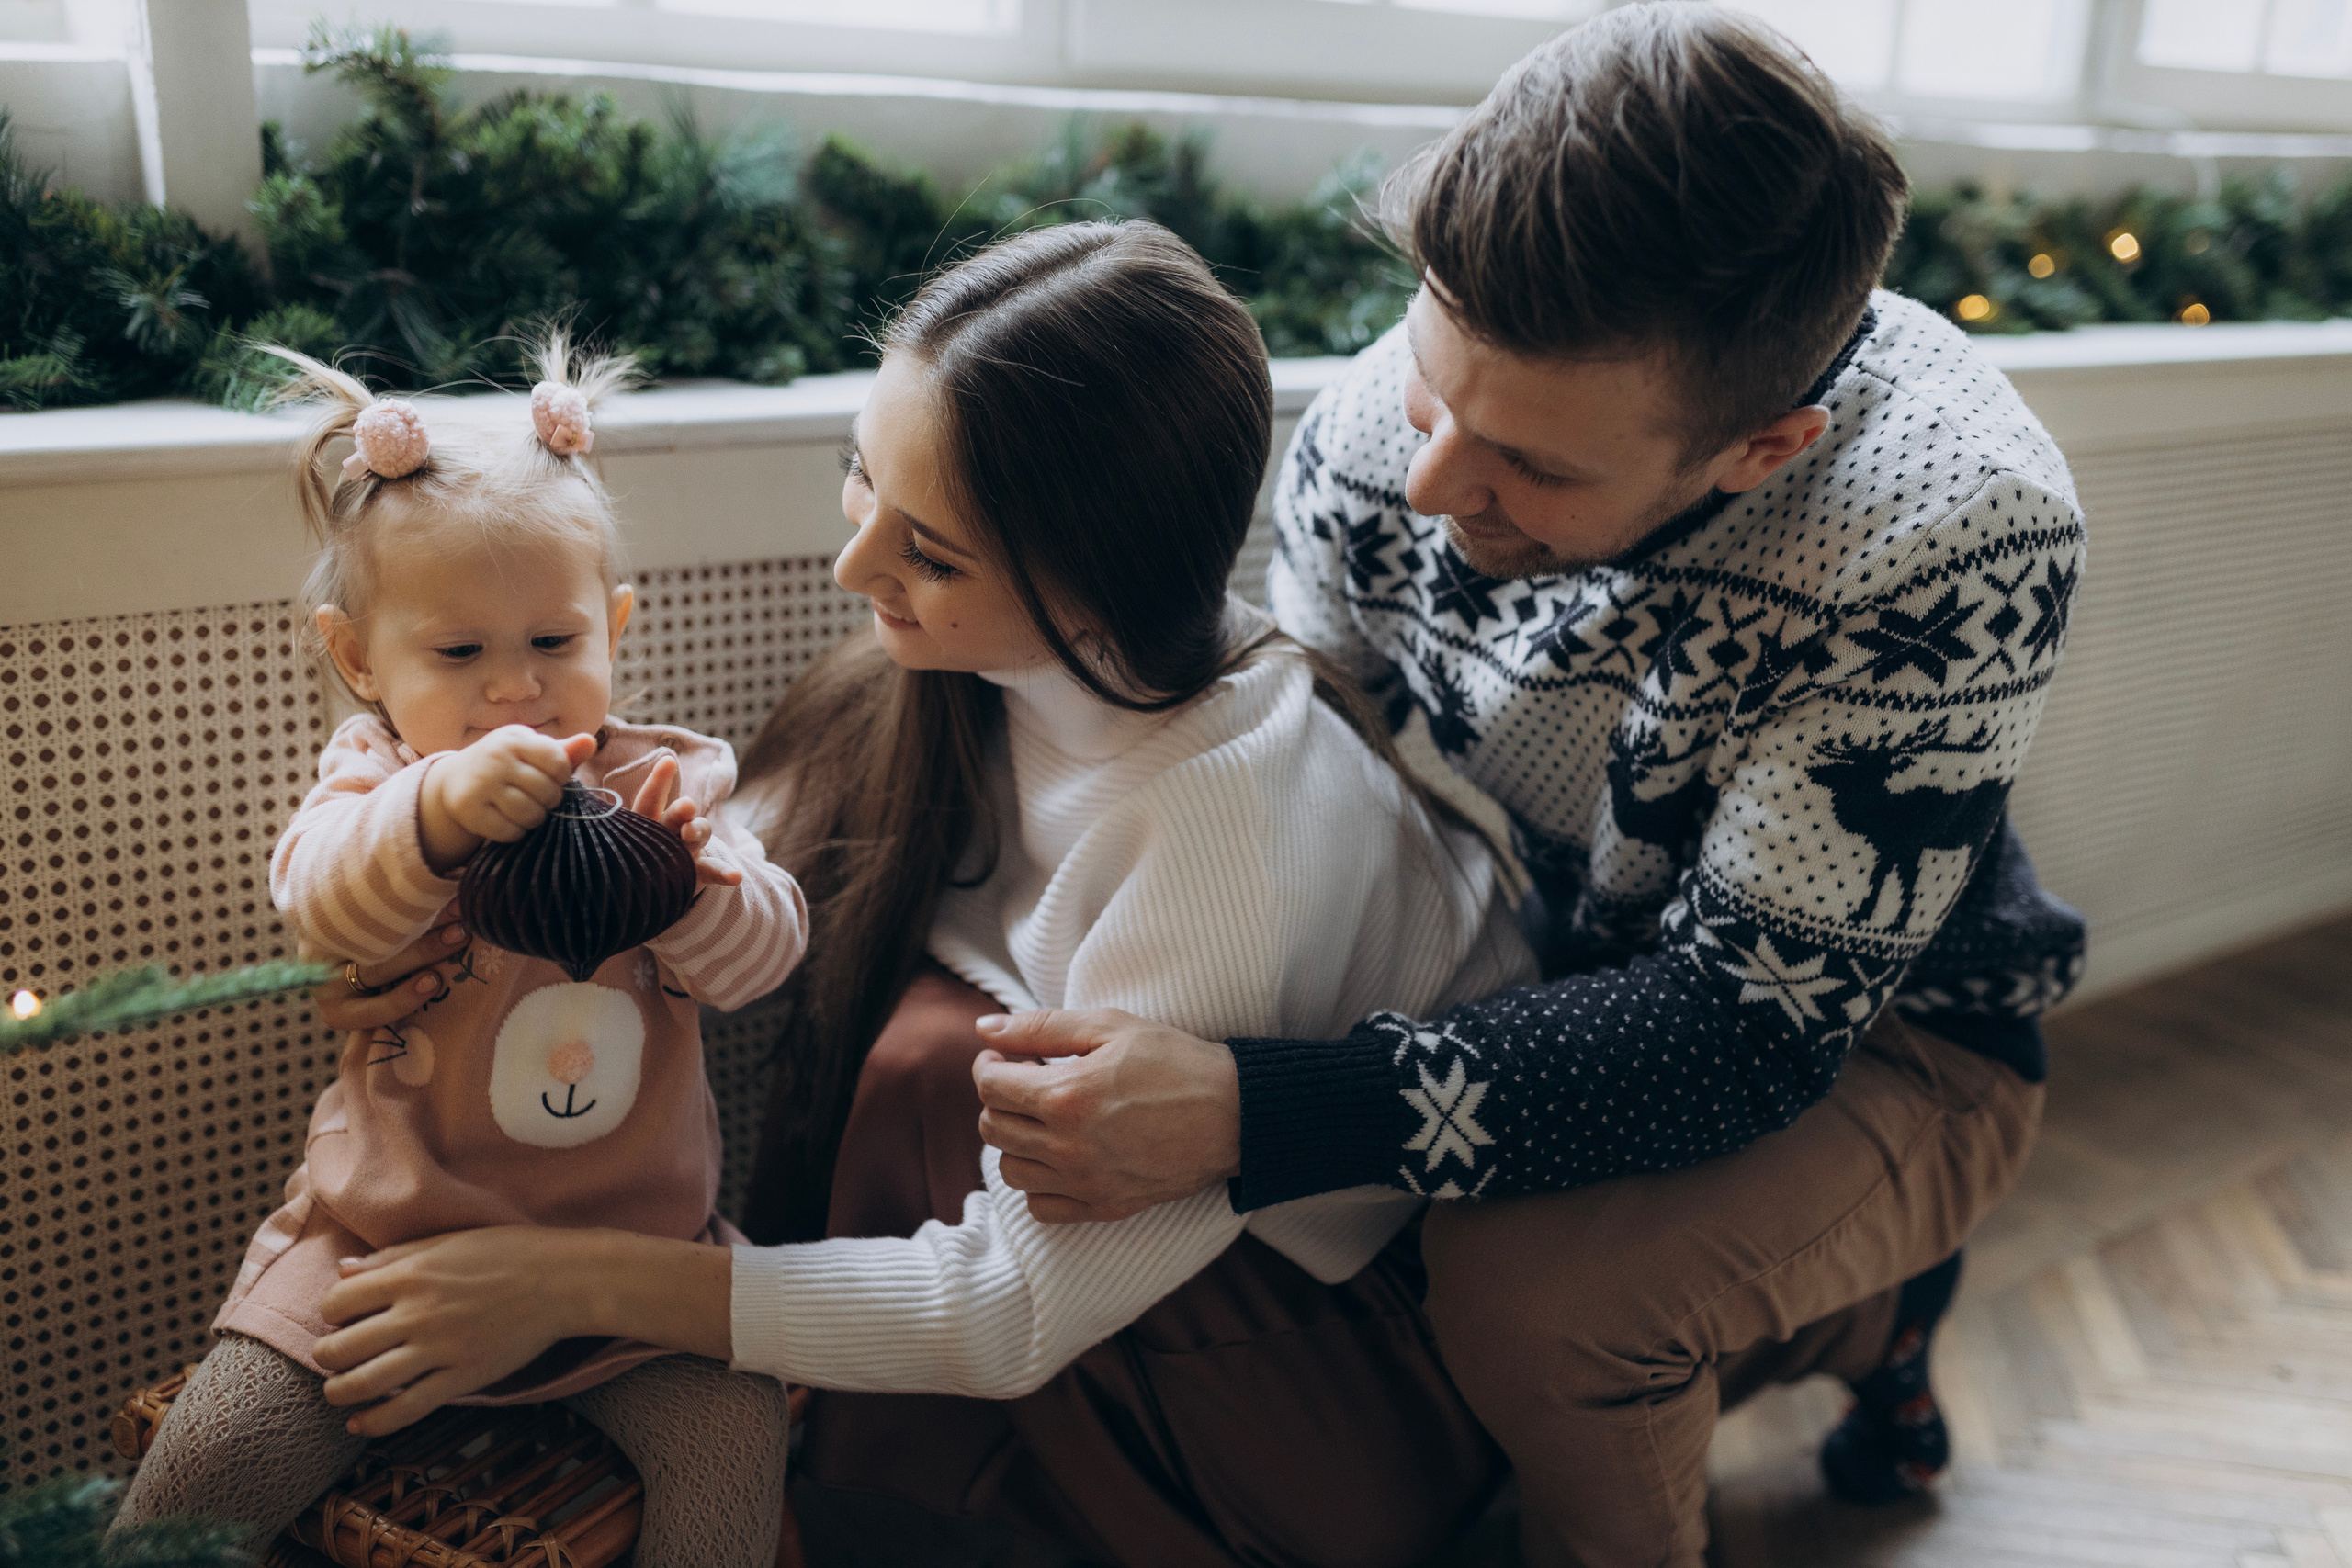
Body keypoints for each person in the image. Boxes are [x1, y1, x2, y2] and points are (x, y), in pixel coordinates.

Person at [962, 7, 2089, 1565]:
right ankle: (1839, 1317)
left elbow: (1739, 1033)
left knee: (1537, 1300)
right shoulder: (1402, 422)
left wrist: (1255, 1109)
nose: (1430, 492)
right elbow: (1298, 740)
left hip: (1892, 1031)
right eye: (1432, 396)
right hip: (1584, 945)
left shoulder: (1964, 531)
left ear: (1766, 449)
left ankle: (1854, 1302)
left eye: (1537, 472)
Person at [292, 221, 1538, 1563]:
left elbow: (1012, 1306)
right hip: (1110, 1287)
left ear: (1101, 575)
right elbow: (698, 879)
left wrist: (568, 1287)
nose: (853, 567)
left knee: (957, 1064)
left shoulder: (1231, 818)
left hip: (1323, 1369)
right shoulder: (959, 683)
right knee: (937, 1055)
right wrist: (443, 918)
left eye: (929, 552)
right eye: (859, 477)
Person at [112, 340, 810, 1567]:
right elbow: (323, 907)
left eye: (553, 642)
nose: (515, 695)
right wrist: (433, 819)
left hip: (638, 1263)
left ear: (617, 626)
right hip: (380, 1252)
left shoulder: (662, 784)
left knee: (733, 1445)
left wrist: (690, 887)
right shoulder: (377, 785)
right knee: (205, 1474)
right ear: (357, 660)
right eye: (459, 655)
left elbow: (765, 958)